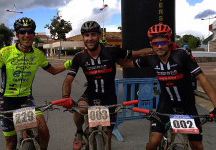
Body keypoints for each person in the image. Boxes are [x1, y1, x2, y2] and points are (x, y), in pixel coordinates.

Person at [0, 17, 72, 150]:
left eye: (30, 32)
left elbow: (53, 71)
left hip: (26, 99)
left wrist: (69, 64)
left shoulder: (38, 55)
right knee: (11, 142)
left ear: (34, 34)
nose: (26, 35)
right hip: (6, 101)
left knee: (44, 131)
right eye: (22, 32)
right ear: (17, 35)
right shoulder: (5, 52)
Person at [62, 21, 154, 150]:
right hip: (90, 95)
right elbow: (68, 79)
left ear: (99, 36)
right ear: (83, 37)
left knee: (107, 140)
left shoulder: (111, 51)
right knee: (79, 110)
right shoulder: (79, 57)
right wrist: (66, 97)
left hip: (109, 98)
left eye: (93, 34)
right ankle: (79, 131)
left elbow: (135, 54)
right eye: (86, 35)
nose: (90, 38)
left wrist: (154, 49)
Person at [132, 24, 216, 150]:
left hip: (187, 105)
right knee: (154, 142)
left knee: (197, 145)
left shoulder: (181, 55)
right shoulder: (151, 58)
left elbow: (202, 78)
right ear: (151, 44)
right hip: (166, 104)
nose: (159, 46)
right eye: (155, 43)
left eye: (162, 42)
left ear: (169, 41)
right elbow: (128, 63)